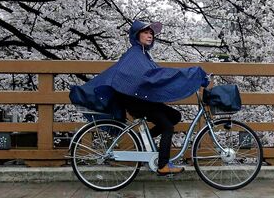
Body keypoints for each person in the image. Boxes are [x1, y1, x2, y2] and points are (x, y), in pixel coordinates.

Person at [69, 20, 208, 175]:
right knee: (168, 126)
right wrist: (189, 74)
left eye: (151, 33)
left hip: (140, 99)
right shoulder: (135, 54)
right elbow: (151, 77)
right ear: (137, 35)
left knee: (175, 115)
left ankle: (144, 140)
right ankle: (163, 165)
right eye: (145, 32)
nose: (150, 36)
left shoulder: (142, 54)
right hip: (136, 101)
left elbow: (156, 76)